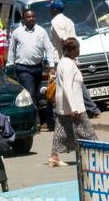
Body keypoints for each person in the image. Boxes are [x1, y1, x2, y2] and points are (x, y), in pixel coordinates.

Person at [47, 37, 96, 168]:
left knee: (61, 131)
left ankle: (54, 156)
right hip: (74, 107)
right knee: (88, 133)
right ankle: (98, 155)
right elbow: (67, 87)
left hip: (64, 106)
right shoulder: (68, 65)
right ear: (69, 51)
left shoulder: (63, 63)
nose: (78, 50)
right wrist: (74, 108)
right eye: (76, 49)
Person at [6, 9, 56, 131]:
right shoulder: (17, 32)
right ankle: (36, 122)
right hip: (23, 68)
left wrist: (51, 65)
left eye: (33, 16)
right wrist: (9, 64)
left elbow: (48, 48)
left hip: (37, 68)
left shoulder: (41, 31)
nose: (31, 19)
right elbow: (12, 50)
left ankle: (37, 118)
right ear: (23, 19)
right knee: (31, 92)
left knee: (38, 94)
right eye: (28, 17)